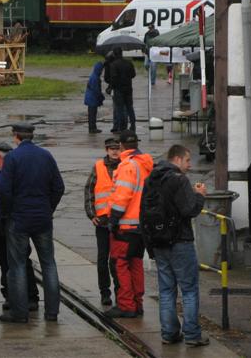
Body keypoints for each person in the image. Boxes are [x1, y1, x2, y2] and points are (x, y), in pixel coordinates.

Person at [0, 123, 65, 323]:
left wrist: (9, 213)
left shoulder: (12, 158)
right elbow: (59, 187)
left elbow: (5, 191)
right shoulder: (46, 156)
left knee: (17, 265)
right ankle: (52, 313)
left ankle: (20, 314)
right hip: (43, 218)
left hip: (19, 218)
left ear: (15, 136)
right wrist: (48, 208)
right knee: (49, 264)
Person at [145, 145, 209, 347]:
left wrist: (149, 246)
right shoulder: (179, 179)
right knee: (189, 290)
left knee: (166, 290)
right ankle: (191, 334)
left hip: (158, 242)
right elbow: (189, 209)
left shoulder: (151, 179)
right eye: (188, 160)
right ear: (177, 159)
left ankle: (169, 333)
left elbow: (143, 212)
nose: (190, 165)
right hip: (180, 241)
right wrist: (199, 196)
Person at [0, 141, 39, 311]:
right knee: (4, 263)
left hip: (13, 226)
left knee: (21, 261)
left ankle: (30, 297)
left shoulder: (13, 174)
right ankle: (10, 294)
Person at [106, 130, 153, 318]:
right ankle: (137, 303)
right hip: (142, 225)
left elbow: (123, 196)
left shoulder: (127, 166)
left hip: (126, 226)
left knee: (121, 264)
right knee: (136, 263)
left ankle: (126, 305)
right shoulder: (146, 164)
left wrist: (113, 219)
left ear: (122, 146)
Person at [84, 137, 121, 306]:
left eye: (117, 148)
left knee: (118, 259)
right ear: (106, 150)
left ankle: (120, 292)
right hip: (103, 221)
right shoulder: (98, 167)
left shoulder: (125, 166)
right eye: (111, 148)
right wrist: (92, 214)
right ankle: (104, 292)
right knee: (102, 259)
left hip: (120, 221)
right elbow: (89, 191)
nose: (114, 151)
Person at [109, 47, 136, 132]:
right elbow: (133, 74)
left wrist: (110, 87)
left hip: (118, 90)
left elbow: (113, 78)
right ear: (122, 53)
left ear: (114, 54)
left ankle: (121, 128)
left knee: (119, 109)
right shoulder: (129, 63)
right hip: (128, 89)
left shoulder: (113, 65)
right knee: (130, 108)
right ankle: (133, 125)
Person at [84, 61, 105, 134]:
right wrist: (101, 97)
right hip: (92, 98)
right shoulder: (95, 78)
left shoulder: (94, 75)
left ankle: (92, 128)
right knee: (92, 114)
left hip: (90, 97)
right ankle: (92, 128)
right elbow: (96, 90)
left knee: (92, 114)